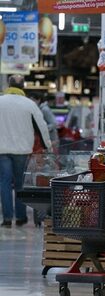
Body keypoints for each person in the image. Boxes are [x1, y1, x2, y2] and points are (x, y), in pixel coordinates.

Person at [0, 75, 51, 227]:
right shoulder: (29, 104)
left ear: (9, 85)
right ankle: (21, 217)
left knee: (4, 183)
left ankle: (7, 218)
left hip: (2, 149)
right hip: (22, 150)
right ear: (23, 86)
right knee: (20, 184)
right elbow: (42, 126)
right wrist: (47, 145)